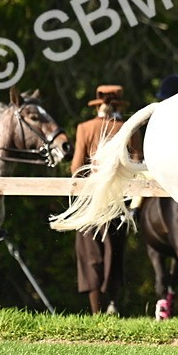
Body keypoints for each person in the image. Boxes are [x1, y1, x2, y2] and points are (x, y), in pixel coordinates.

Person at [72, 85, 141, 315]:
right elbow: (137, 163)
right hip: (118, 199)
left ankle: (96, 310)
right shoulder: (127, 129)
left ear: (97, 106)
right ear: (119, 105)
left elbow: (76, 168)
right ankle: (113, 303)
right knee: (114, 252)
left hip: (91, 199)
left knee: (90, 254)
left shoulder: (84, 128)